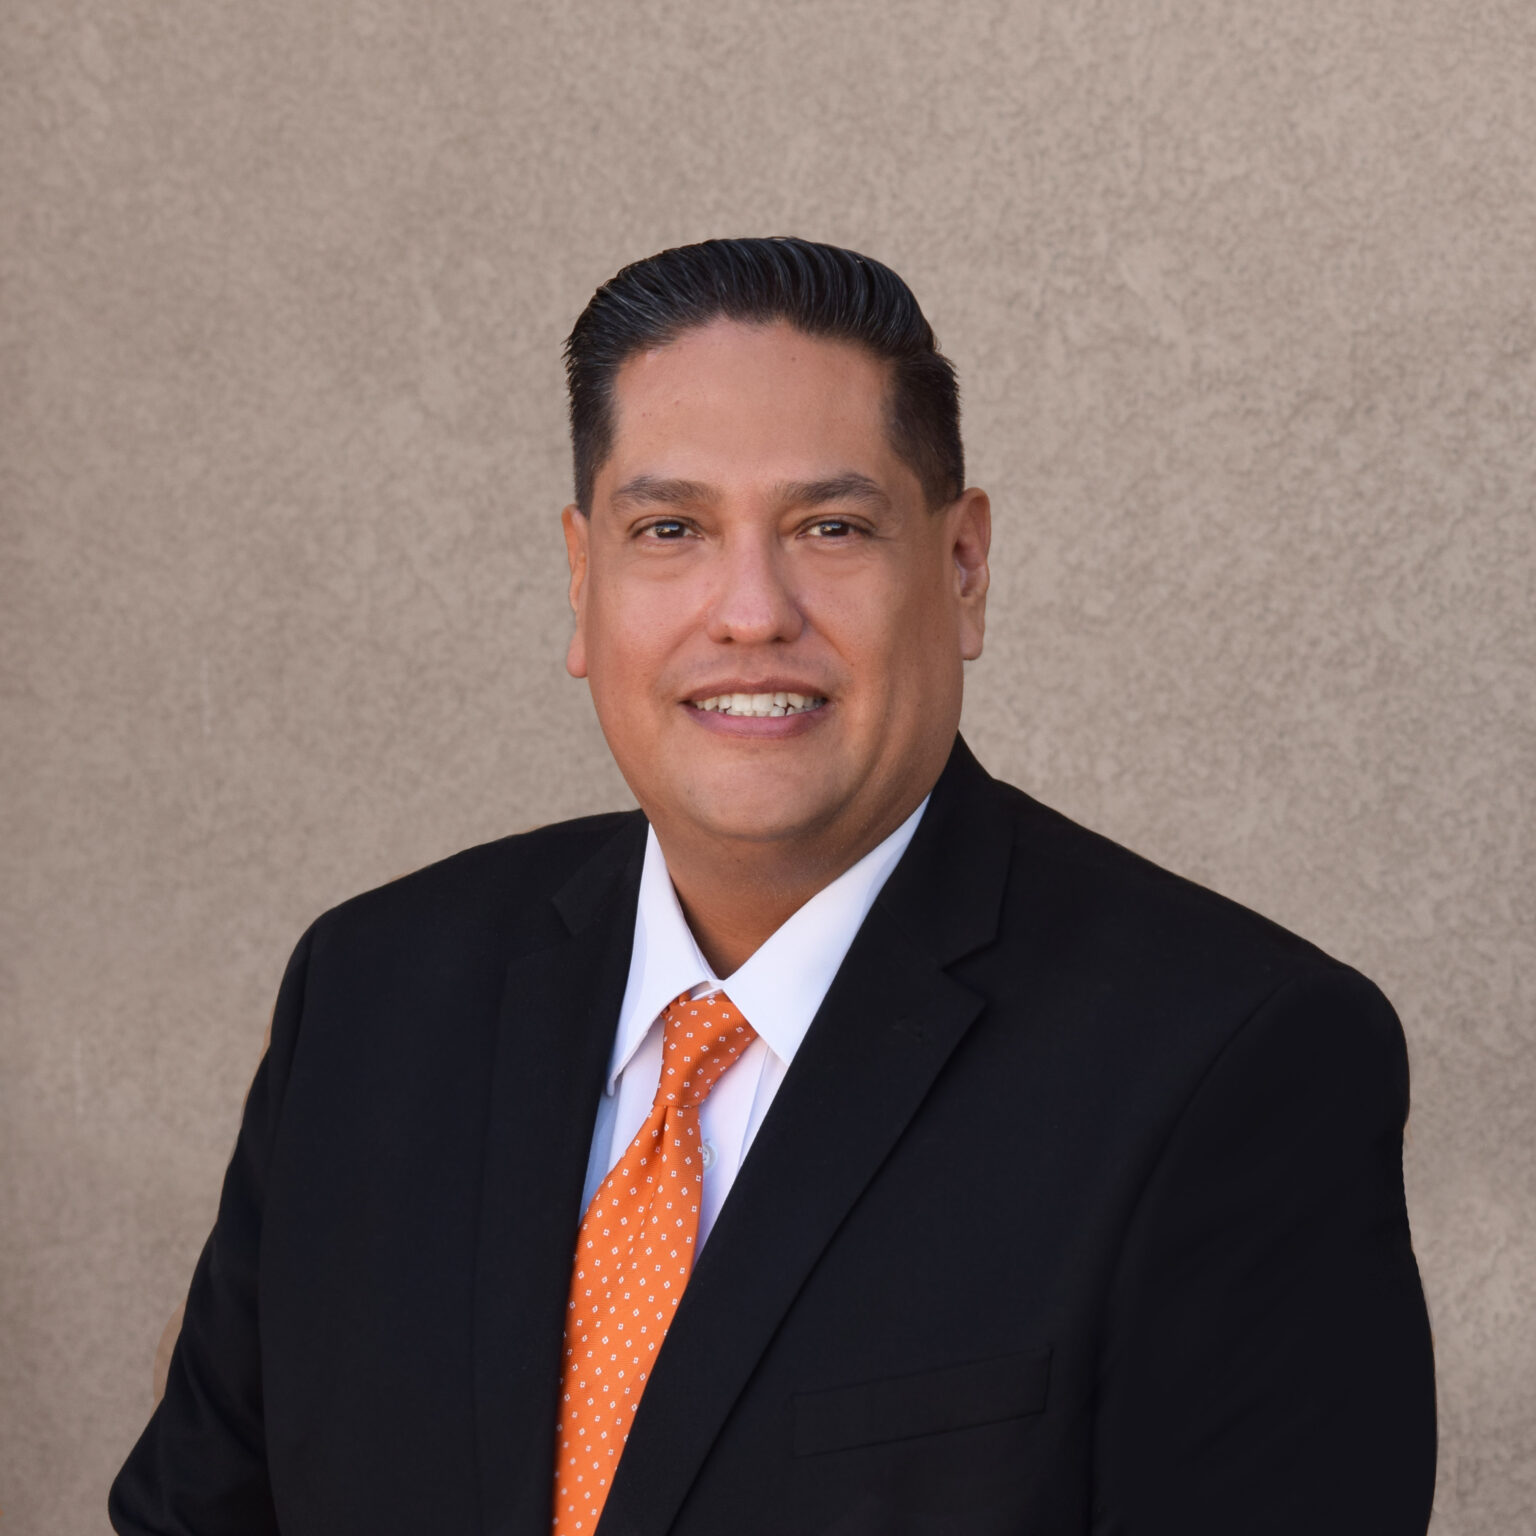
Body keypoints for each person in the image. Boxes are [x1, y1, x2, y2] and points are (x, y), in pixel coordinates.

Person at [110, 237, 1437, 1535]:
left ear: (963, 567)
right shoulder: (373, 994)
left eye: (833, 525)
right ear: (583, 579)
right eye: (671, 527)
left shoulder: (1234, 1062)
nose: (750, 610)